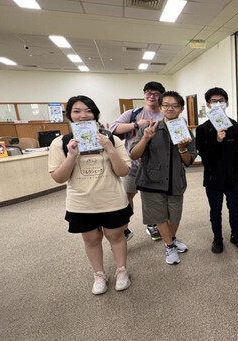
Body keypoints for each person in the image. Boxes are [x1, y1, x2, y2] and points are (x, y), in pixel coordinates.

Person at [48, 95, 133, 295]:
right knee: (91, 239)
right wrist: (71, 156)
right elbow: (59, 178)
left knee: (115, 235)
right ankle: (99, 274)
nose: (83, 116)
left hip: (112, 198)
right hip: (81, 202)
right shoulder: (60, 143)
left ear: (95, 115)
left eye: (88, 111)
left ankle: (122, 271)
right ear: (69, 115)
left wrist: (109, 148)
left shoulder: (113, 139)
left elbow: (123, 172)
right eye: (76, 111)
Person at [130, 91, 197, 265]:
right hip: (151, 180)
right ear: (160, 108)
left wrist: (182, 147)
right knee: (159, 217)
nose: (170, 108)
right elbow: (133, 154)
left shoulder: (186, 132)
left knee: (174, 216)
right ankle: (169, 245)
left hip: (175, 180)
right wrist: (145, 139)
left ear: (181, 109)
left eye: (175, 105)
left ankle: (172, 240)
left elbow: (189, 161)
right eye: (166, 105)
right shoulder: (149, 128)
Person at [110, 81, 165, 241]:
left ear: (161, 96)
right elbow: (113, 129)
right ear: (144, 94)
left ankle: (153, 225)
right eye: (148, 92)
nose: (151, 96)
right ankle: (125, 228)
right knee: (126, 199)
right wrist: (135, 125)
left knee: (153, 201)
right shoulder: (132, 113)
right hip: (132, 168)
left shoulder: (164, 115)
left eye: (155, 93)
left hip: (155, 168)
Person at [195, 87, 238, 254]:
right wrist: (217, 140)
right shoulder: (202, 129)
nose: (218, 104)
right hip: (213, 178)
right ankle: (217, 238)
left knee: (234, 209)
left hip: (233, 177)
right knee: (215, 210)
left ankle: (235, 234)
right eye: (214, 101)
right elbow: (204, 156)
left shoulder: (236, 127)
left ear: (227, 103)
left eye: (221, 101)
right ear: (208, 105)